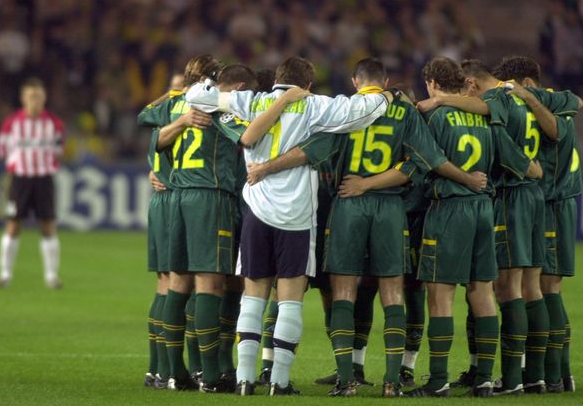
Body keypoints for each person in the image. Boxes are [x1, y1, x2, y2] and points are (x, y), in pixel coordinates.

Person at [243, 58, 487, 397]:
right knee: (393, 293)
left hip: (347, 204)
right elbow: (422, 161)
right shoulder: (405, 111)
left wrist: (265, 169)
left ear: (356, 82)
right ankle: (392, 381)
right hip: (390, 208)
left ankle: (347, 380)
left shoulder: (345, 112)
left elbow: (309, 153)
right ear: (385, 81)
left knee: (342, 292)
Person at [186, 56, 394, 396]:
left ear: (277, 80)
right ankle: (279, 383)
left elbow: (196, 96)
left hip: (257, 209)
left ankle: (244, 380)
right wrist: (386, 96)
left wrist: (209, 81)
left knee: (253, 298)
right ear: (307, 84)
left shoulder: (251, 101)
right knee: (290, 301)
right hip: (296, 216)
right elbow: (364, 111)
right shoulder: (315, 105)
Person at [138, 56, 304, 393]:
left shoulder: (179, 103)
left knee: (176, 282)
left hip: (178, 197)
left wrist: (177, 118)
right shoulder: (219, 110)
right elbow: (249, 137)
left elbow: (148, 126)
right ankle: (211, 374)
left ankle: (172, 371)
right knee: (212, 285)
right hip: (211, 198)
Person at [418, 58, 579, 395]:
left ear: (472, 84)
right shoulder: (528, 95)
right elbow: (576, 101)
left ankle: (514, 377)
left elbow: (499, 142)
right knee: (532, 288)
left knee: (507, 289)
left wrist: (441, 100)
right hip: (535, 198)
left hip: (510, 196)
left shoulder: (495, 102)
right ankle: (540, 376)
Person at [404, 57, 500, 397]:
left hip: (450, 208)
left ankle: (438, 380)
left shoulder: (435, 115)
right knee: (482, 292)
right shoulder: (481, 116)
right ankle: (486, 378)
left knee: (439, 296)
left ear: (431, 82)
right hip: (484, 209)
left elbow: (431, 161)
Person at [494, 56, 581, 393]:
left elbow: (558, 131)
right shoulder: (560, 103)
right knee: (546, 289)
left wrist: (527, 97)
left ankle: (548, 374)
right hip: (555, 204)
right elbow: (576, 99)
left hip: (549, 203)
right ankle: (557, 375)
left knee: (543, 289)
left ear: (525, 84)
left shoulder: (544, 110)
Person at [0, 78, 65, 289]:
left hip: (44, 178)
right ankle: (5, 273)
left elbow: (59, 151)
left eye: (39, 96)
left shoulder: (54, 124)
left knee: (48, 226)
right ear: (23, 98)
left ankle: (51, 276)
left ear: (44, 98)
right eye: (31, 96)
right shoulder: (12, 123)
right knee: (13, 224)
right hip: (20, 179)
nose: (35, 101)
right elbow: (2, 151)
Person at [144, 72, 184, 389]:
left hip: (161, 203)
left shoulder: (162, 125)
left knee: (165, 283)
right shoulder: (184, 121)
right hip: (173, 203)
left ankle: (156, 370)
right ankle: (168, 369)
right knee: (177, 282)